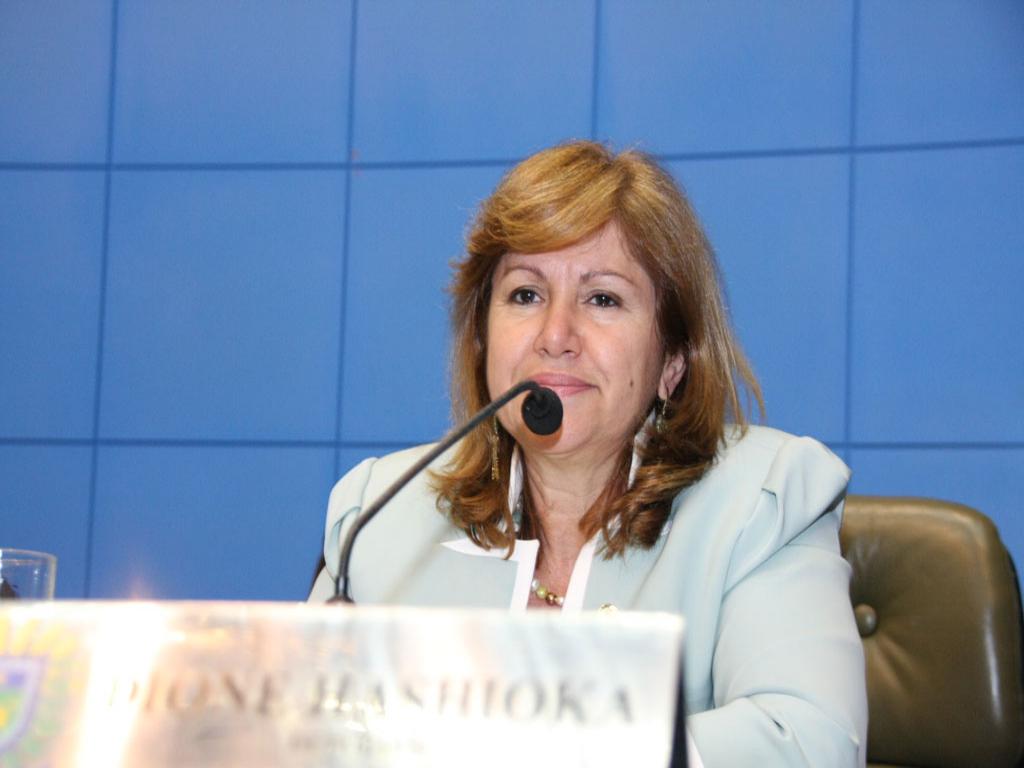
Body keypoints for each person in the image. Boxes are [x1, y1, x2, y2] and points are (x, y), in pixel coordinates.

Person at [309, 140, 867, 766]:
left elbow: (808, 741)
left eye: (603, 298)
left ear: (672, 360)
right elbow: (296, 734)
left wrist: (550, 746)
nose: (555, 337)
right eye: (525, 294)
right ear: (483, 340)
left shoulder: (761, 502)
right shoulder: (379, 513)